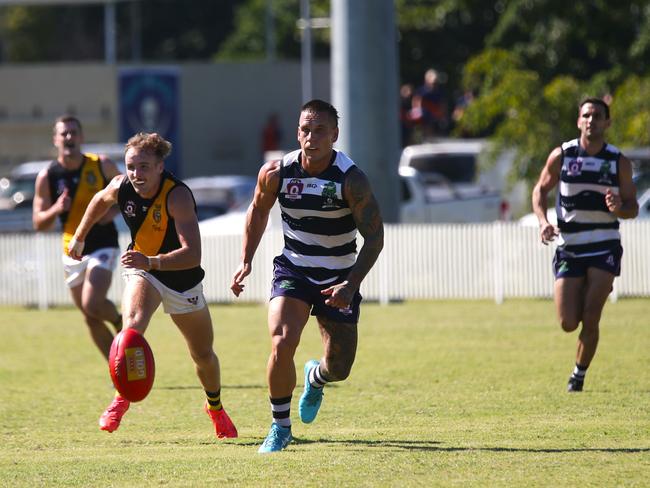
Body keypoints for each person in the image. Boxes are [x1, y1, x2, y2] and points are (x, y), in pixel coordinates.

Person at [231, 99, 384, 453]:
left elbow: (375, 237)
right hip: (294, 270)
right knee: (281, 341)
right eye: (304, 129)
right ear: (297, 132)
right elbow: (256, 212)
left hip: (339, 277)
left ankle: (316, 377)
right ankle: (280, 427)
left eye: (319, 131)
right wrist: (246, 260)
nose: (310, 137)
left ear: (334, 135)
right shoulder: (276, 173)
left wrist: (351, 284)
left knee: (340, 367)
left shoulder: (351, 180)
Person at [68, 132, 238, 437]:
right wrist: (80, 236)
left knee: (203, 354)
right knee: (131, 329)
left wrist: (153, 261)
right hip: (144, 272)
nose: (136, 174)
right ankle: (121, 399)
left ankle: (215, 407)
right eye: (131, 166)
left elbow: (193, 255)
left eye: (144, 166)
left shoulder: (178, 196)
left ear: (160, 166)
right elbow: (98, 200)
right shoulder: (122, 186)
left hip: (182, 279)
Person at [532, 97, 638, 392]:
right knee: (568, 322)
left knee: (591, 316)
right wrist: (543, 222)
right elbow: (539, 190)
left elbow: (633, 208)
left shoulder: (618, 161)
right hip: (570, 245)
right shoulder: (563, 155)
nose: (591, 120)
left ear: (607, 122)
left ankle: (578, 376)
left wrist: (619, 207)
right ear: (579, 121)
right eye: (586, 115)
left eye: (597, 115)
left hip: (605, 244)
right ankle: (588, 290)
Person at [32, 115, 122, 362]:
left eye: (73, 132)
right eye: (64, 133)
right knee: (89, 317)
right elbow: (39, 223)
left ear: (82, 137)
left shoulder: (101, 165)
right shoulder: (47, 176)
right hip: (72, 249)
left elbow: (129, 197)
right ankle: (118, 371)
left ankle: (120, 322)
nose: (69, 137)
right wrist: (57, 208)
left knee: (92, 303)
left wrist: (110, 212)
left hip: (103, 243)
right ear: (56, 139)